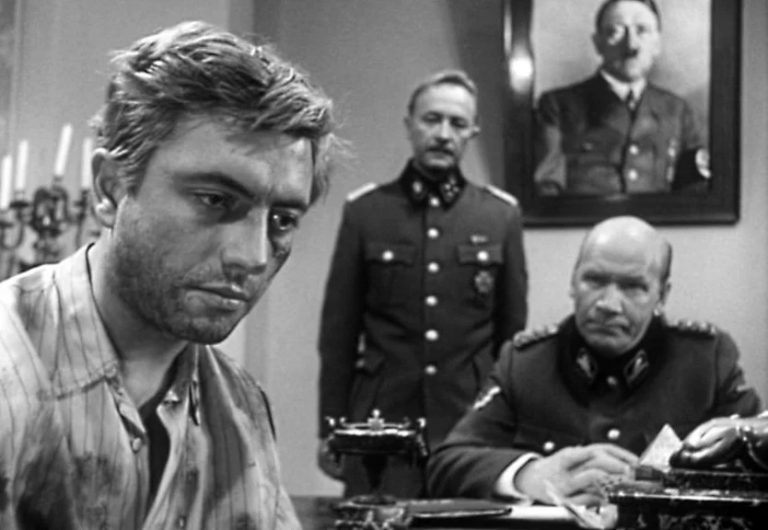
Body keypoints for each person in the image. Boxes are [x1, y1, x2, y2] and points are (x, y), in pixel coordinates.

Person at [0, 21, 338, 529]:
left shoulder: (241, 408)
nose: (252, 256)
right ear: (111, 188)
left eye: (283, 220)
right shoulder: (10, 370)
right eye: (215, 200)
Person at [427, 216, 760, 507]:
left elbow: (759, 461)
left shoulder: (706, 362)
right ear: (572, 283)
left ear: (662, 296)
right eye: (595, 281)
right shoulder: (526, 364)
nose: (608, 304)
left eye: (633, 287)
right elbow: (446, 462)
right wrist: (529, 474)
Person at [317, 70, 528, 498]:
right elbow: (338, 336)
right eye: (432, 119)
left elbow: (510, 341)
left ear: (472, 132)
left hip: (470, 427)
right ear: (409, 124)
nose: (443, 134)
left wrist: (509, 425)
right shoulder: (367, 212)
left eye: (457, 123)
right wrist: (332, 428)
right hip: (381, 424)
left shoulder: (499, 216)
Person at [533, 0, 709, 196]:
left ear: (657, 44)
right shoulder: (558, 106)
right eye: (615, 31)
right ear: (598, 43)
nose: (631, 45)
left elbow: (695, 192)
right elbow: (547, 191)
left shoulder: (677, 110)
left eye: (642, 31)